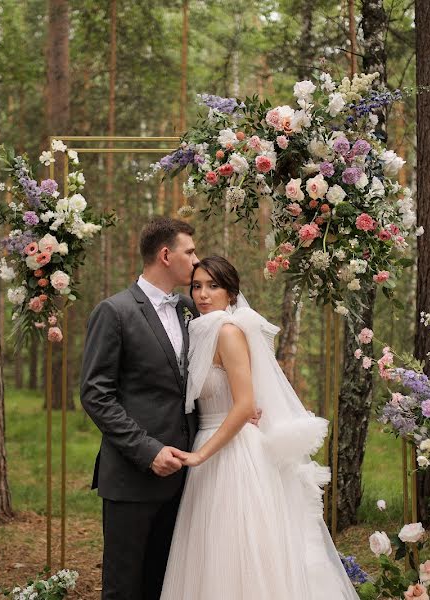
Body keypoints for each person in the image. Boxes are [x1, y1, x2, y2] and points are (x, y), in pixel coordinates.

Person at [160, 256, 359, 600]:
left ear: (231, 293)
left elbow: (244, 405)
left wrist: (199, 455)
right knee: (211, 553)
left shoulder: (228, 331)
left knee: (238, 550)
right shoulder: (204, 330)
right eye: (196, 286)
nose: (203, 294)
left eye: (213, 286)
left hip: (232, 453)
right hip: (212, 447)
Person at [80, 216, 200, 600]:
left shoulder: (188, 308)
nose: (197, 260)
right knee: (124, 587)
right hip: (133, 479)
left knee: (165, 585)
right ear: (166, 255)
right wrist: (148, 451)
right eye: (190, 251)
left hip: (184, 478)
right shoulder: (114, 312)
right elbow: (96, 394)